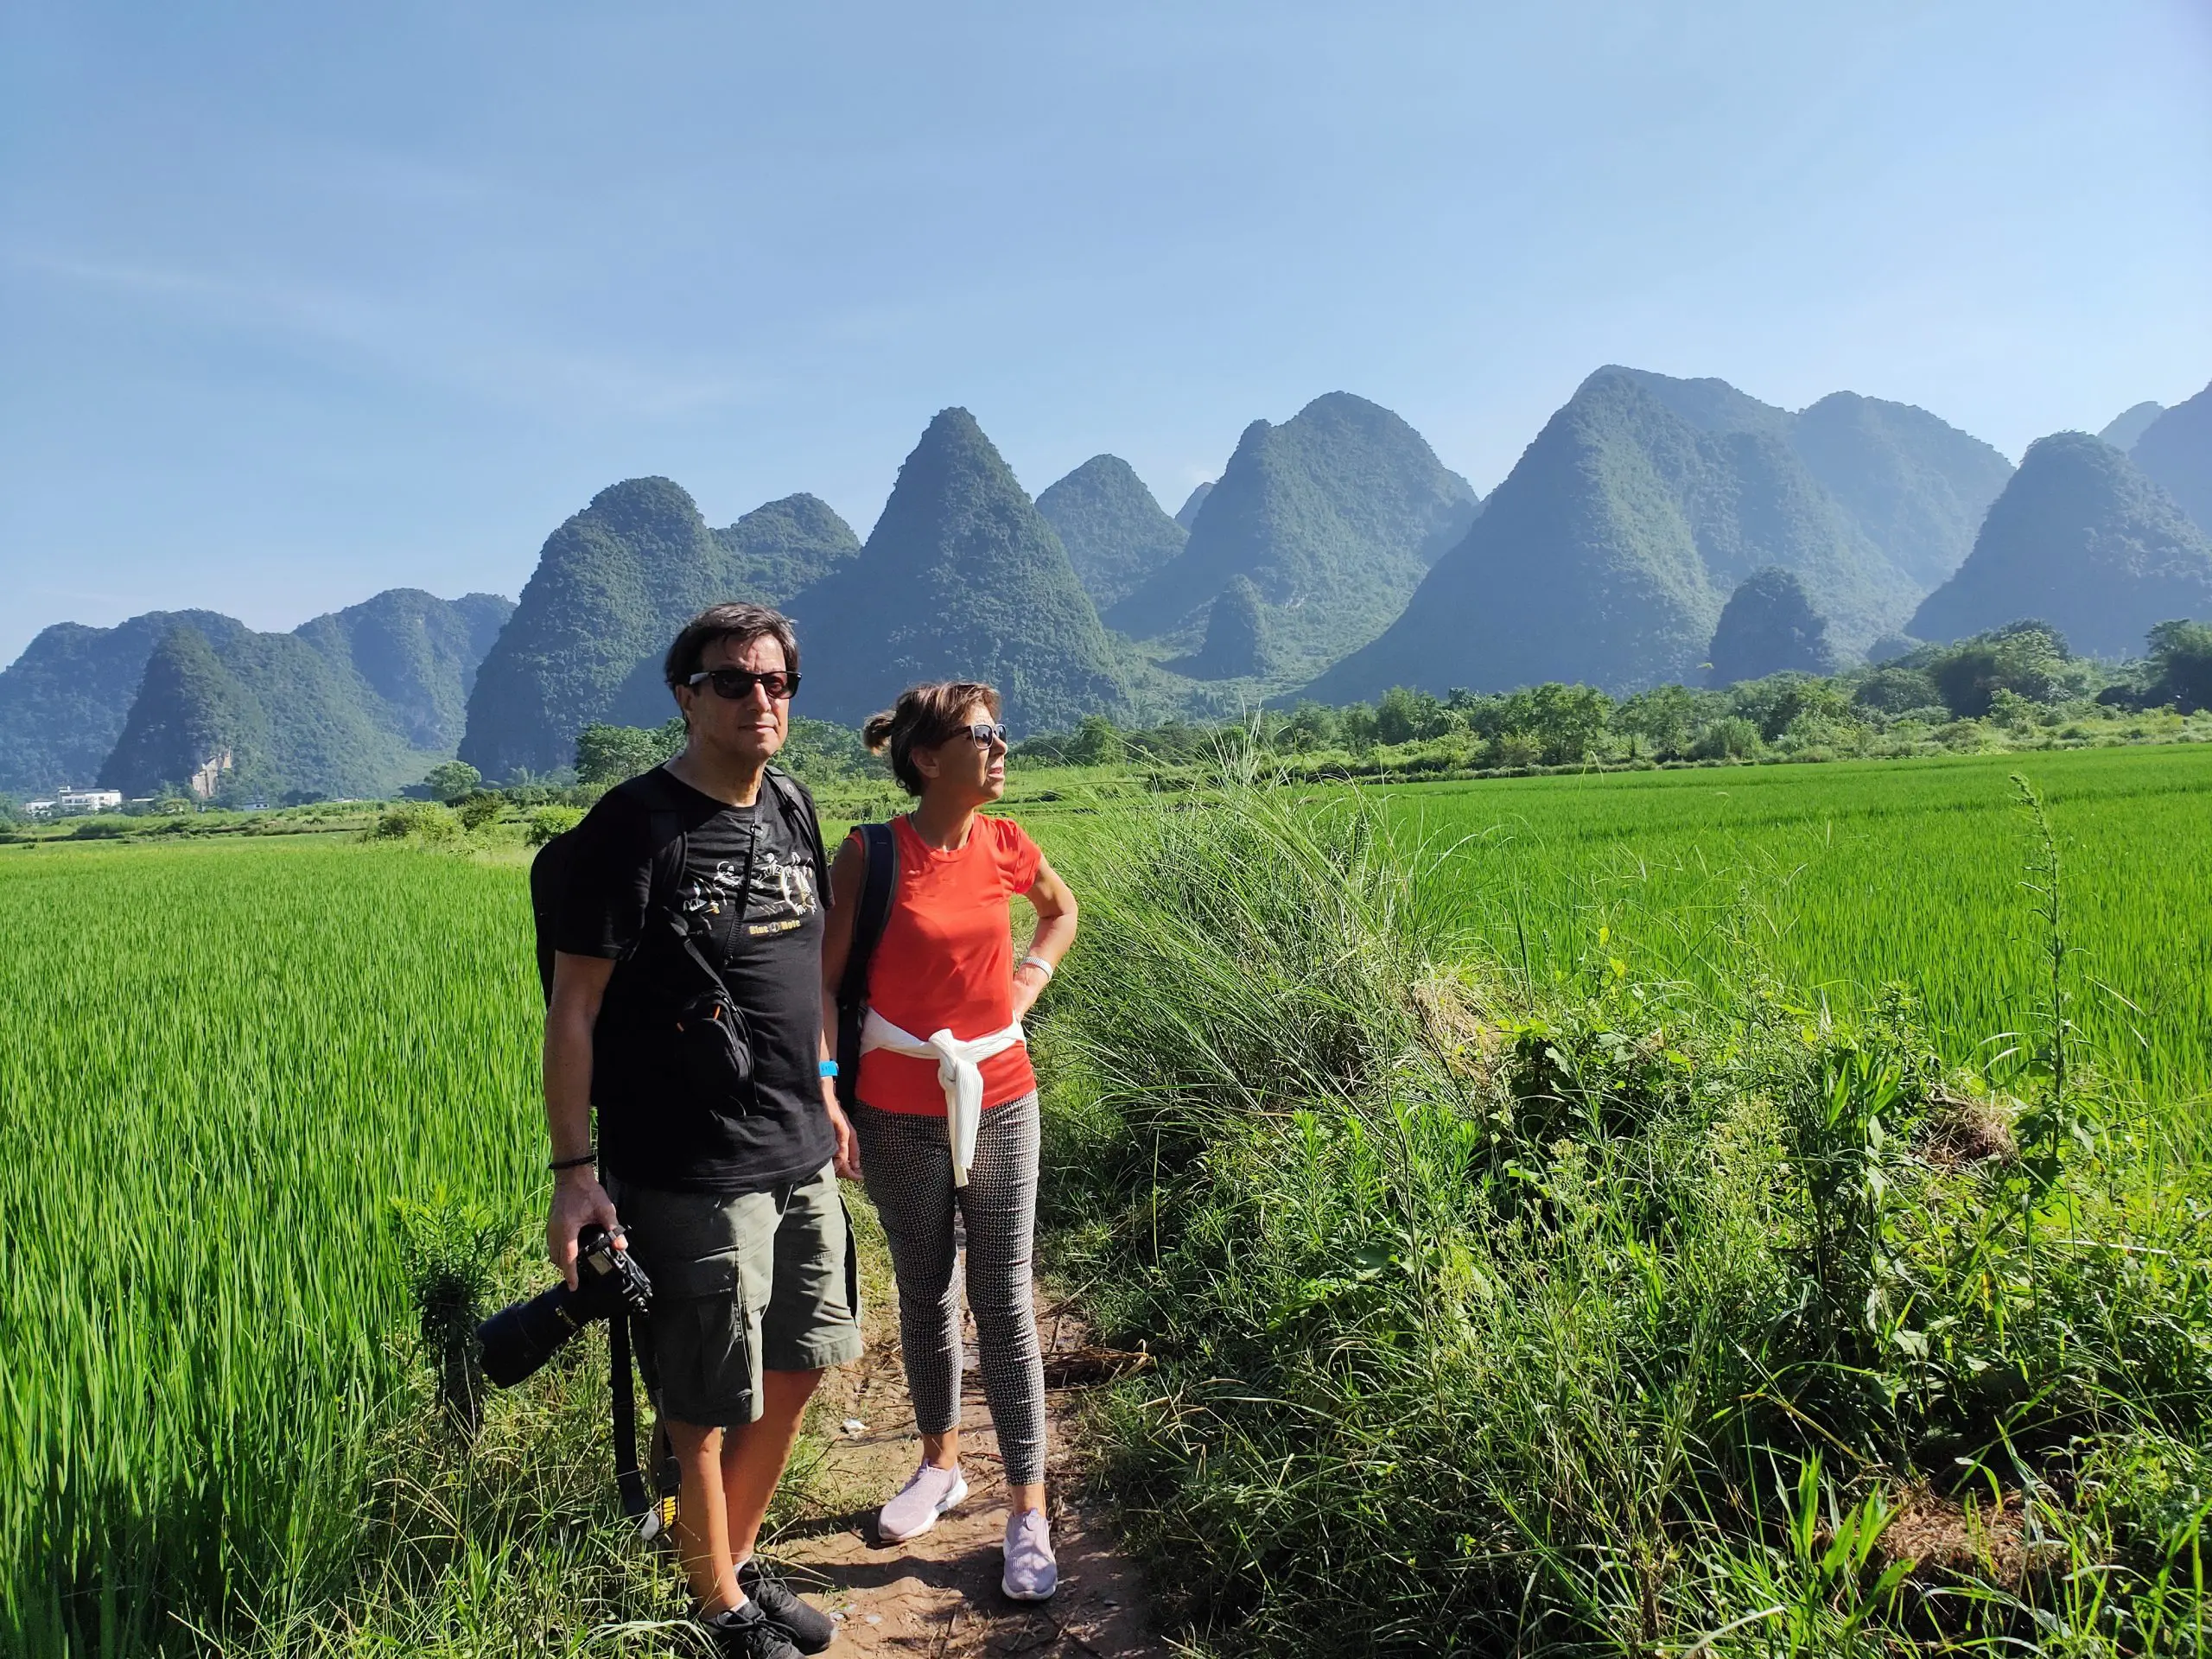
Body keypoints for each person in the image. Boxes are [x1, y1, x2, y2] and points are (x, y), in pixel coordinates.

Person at [545, 602, 862, 1659]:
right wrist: (575, 1174)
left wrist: (823, 1082)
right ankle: (718, 1604)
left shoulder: (795, 807)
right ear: (686, 695)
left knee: (806, 1358)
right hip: (689, 1167)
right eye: (734, 681)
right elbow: (574, 1009)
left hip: (798, 1150)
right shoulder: (630, 829)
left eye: (777, 682)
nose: (760, 699)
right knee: (702, 1398)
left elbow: (805, 979)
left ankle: (729, 1560)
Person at [818, 681, 1078, 1602]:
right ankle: (938, 1464)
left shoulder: (1007, 843)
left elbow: (1061, 909)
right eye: (983, 735)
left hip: (1002, 1094)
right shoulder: (870, 854)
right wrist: (827, 1094)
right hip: (895, 1104)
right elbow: (826, 983)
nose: (1002, 747)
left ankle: (1028, 1511)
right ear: (928, 758)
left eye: (1002, 732)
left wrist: (1024, 987)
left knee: (1003, 1298)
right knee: (926, 1291)